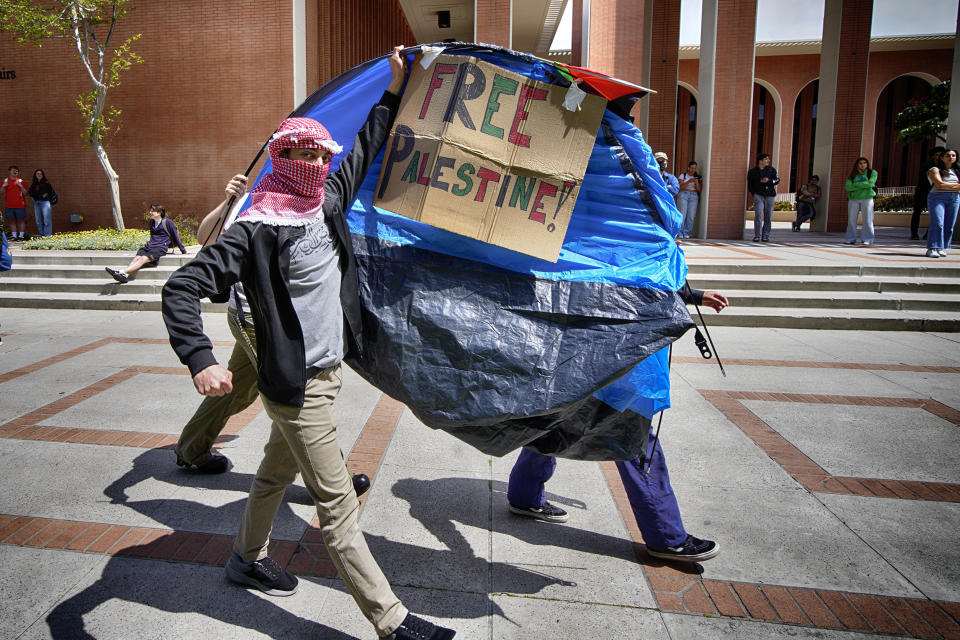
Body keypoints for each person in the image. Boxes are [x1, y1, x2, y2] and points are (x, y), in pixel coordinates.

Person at [161, 46, 455, 640]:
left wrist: (396, 87)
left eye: (318, 152)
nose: (310, 160)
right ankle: (391, 622)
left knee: (272, 475)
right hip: (297, 389)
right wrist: (201, 359)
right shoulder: (253, 230)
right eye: (296, 151)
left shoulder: (326, 206)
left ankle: (246, 559)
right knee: (337, 508)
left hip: (324, 373)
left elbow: (369, 141)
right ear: (277, 157)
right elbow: (182, 285)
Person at [173, 175, 371, 497]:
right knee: (296, 391)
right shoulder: (255, 200)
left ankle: (191, 448)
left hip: (284, 319)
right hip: (255, 318)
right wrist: (228, 202)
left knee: (238, 390)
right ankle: (332, 479)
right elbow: (204, 239)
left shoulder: (310, 199)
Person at [508, 283, 729, 563]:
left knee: (557, 421)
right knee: (633, 437)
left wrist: (693, 295)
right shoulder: (637, 240)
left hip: (578, 343)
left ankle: (524, 495)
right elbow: (643, 275)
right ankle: (666, 537)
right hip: (619, 349)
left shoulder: (582, 239)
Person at [105, 204, 187, 283]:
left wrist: (183, 251)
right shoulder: (151, 222)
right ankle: (125, 275)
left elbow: (176, 237)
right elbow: (152, 236)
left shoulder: (168, 222)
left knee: (143, 258)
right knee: (137, 257)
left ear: (159, 213)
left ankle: (121, 272)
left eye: (152, 211)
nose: (150, 212)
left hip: (160, 248)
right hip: (149, 246)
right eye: (150, 210)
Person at [925, 148, 960, 258]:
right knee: (938, 223)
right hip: (937, 197)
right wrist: (956, 186)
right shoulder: (934, 170)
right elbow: (939, 184)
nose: (951, 158)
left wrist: (946, 185)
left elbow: (942, 184)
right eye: (948, 155)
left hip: (954, 198)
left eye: (953, 156)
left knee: (949, 225)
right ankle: (932, 248)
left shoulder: (957, 171)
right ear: (942, 158)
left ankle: (941, 247)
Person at [912, 146, 945, 240]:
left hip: (936, 192)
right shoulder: (926, 166)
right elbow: (923, 180)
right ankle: (914, 233)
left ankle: (928, 234)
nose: (938, 157)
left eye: (940, 155)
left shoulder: (943, 167)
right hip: (923, 192)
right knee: (917, 212)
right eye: (936, 155)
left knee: (934, 214)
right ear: (932, 156)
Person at [844, 157, 878, 246]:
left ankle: (868, 239)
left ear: (867, 164)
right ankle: (850, 239)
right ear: (857, 165)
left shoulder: (872, 173)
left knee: (868, 219)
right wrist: (863, 185)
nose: (862, 165)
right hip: (853, 199)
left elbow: (871, 183)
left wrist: (855, 185)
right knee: (851, 220)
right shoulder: (852, 175)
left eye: (864, 163)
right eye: (860, 163)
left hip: (867, 198)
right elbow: (848, 187)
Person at [747, 153, 779, 242]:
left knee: (768, 216)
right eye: (766, 159)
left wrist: (769, 181)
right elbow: (750, 184)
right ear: (760, 161)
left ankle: (766, 235)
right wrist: (754, 193)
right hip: (758, 195)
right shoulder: (752, 171)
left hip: (770, 195)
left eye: (768, 159)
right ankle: (757, 235)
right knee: (758, 215)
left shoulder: (771, 170)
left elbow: (777, 180)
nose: (768, 161)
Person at [3, 166, 28, 241]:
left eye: (16, 171)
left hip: (20, 205)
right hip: (9, 205)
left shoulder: (21, 181)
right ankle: (14, 236)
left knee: (21, 220)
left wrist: (21, 187)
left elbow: (26, 193)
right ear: (9, 171)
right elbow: (1, 193)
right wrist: (3, 187)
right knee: (11, 221)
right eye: (13, 170)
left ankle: (21, 236)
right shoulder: (6, 181)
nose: (15, 172)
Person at [676, 161, 701, 239]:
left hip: (694, 196)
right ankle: (680, 232)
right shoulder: (683, 176)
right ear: (688, 168)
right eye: (692, 168)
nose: (693, 170)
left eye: (695, 168)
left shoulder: (698, 177)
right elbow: (680, 188)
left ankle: (687, 232)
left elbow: (699, 190)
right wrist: (689, 181)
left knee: (691, 215)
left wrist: (696, 182)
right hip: (684, 194)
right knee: (682, 214)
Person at [28, 169, 57, 237]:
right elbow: (31, 193)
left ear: (43, 175)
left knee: (46, 220)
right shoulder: (34, 184)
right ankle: (42, 234)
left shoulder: (46, 183)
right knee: (38, 220)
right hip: (37, 203)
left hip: (45, 203)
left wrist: (37, 195)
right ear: (35, 175)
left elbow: (47, 193)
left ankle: (47, 235)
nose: (39, 175)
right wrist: (39, 195)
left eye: (41, 174)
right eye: (37, 174)